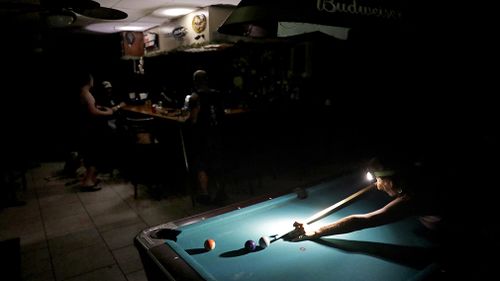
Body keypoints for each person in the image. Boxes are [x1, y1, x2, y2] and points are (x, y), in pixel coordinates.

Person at [184, 69, 226, 204]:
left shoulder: (195, 97)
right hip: (217, 132)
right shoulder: (217, 94)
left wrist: (186, 118)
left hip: (202, 134)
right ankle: (220, 190)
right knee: (217, 162)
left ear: (195, 82)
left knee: (201, 164)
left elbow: (194, 118)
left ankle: (205, 193)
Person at [77, 73, 123, 191]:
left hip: (85, 127)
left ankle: (88, 179)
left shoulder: (82, 93)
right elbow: (93, 112)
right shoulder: (87, 94)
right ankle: (88, 182)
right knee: (94, 154)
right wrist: (108, 112)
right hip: (91, 128)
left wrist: (100, 107)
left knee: (90, 154)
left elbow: (91, 108)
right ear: (88, 81)